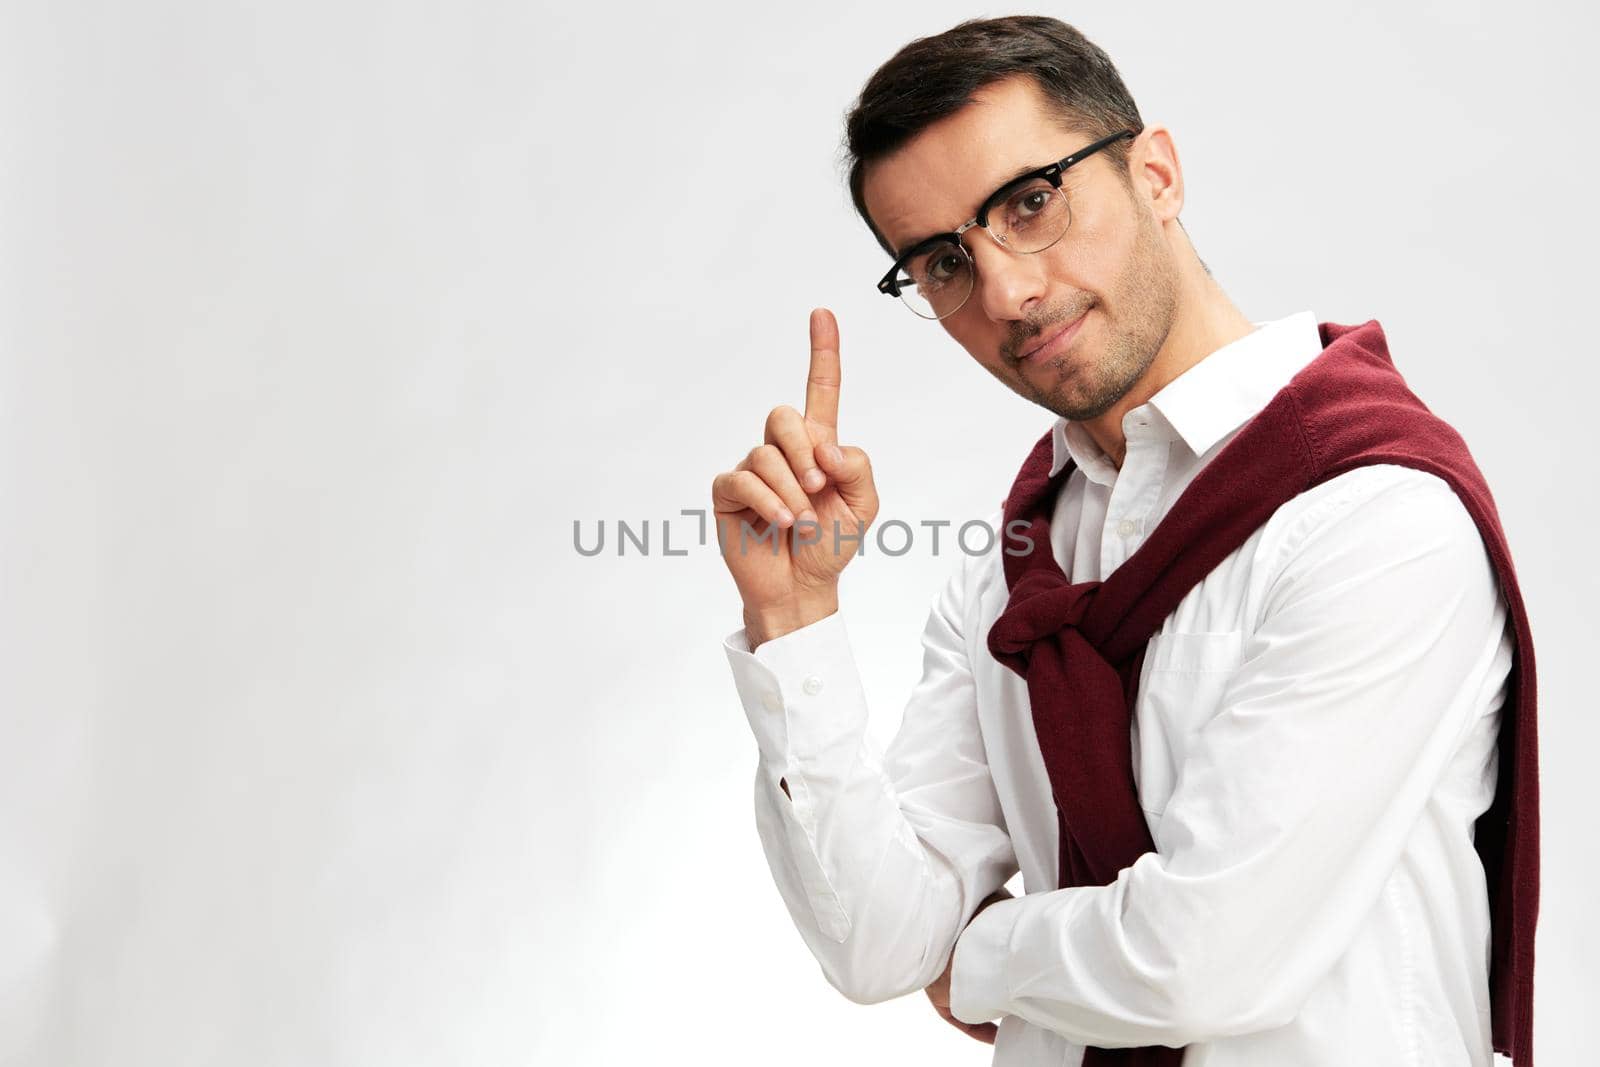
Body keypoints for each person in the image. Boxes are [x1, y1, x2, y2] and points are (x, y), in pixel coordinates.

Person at [708, 15, 1536, 1066]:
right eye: (941, 261)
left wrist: (983, 958)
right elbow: (879, 939)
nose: (1006, 290)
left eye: (1031, 202)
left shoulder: (1372, 514)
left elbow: (1207, 956)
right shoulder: (1017, 570)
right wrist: (792, 618)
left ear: (1155, 174)